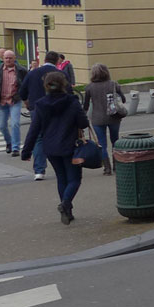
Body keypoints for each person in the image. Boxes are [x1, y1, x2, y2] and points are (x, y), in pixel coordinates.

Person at [20, 70, 89, 224]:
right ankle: (65, 203)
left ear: (45, 86)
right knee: (74, 179)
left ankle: (67, 212)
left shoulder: (40, 105)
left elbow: (34, 129)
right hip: (70, 145)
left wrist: (26, 151)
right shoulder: (72, 101)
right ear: (63, 84)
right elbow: (83, 123)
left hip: (50, 147)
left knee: (61, 178)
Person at [21, 52, 64, 181]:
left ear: (44, 60)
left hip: (37, 109)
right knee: (58, 135)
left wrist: (27, 102)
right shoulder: (59, 74)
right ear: (57, 61)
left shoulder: (33, 73)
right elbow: (69, 92)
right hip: (57, 109)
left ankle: (39, 170)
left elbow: (22, 91)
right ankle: (61, 167)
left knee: (38, 138)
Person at [81, 63, 125, 175]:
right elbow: (123, 99)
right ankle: (117, 165)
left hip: (97, 118)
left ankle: (107, 168)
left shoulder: (89, 87)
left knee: (102, 144)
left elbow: (85, 106)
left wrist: (83, 118)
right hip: (114, 116)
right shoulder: (113, 84)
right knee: (115, 141)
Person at [0, 49, 25, 155]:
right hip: (1, 102)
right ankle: (9, 142)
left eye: (10, 58)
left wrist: (22, 95)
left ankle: (16, 148)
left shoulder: (21, 70)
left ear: (14, 59)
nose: (8, 60)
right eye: (6, 58)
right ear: (3, 59)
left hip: (14, 101)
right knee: (2, 126)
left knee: (15, 123)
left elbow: (26, 84)